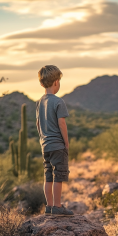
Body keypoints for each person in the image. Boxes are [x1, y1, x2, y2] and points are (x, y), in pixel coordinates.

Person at [36, 65, 74, 216]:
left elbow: (38, 124)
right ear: (56, 82)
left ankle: (49, 206)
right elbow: (62, 123)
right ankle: (58, 206)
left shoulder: (39, 102)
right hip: (57, 145)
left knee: (47, 175)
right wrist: (66, 142)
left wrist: (42, 140)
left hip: (45, 146)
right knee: (59, 174)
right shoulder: (58, 101)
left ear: (41, 83)